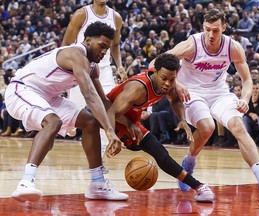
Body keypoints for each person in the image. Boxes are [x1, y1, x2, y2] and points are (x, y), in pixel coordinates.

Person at [150, 9, 259, 201]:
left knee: (238, 126)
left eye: (215, 30)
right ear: (203, 27)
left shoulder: (232, 47)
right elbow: (155, 63)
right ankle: (189, 161)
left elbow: (247, 80)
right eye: (207, 30)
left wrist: (244, 100)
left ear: (224, 28)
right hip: (192, 92)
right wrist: (177, 83)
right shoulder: (191, 45)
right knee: (208, 128)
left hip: (219, 93)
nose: (211, 35)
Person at [4, 22, 128, 202]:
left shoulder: (93, 68)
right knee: (53, 121)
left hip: (49, 97)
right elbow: (89, 95)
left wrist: (131, 125)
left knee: (91, 122)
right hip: (22, 89)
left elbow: (103, 101)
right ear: (87, 40)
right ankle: (25, 182)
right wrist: (109, 132)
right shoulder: (75, 54)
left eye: (107, 49)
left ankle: (98, 185)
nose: (104, 52)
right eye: (101, 46)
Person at [105, 53, 214, 202]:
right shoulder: (138, 88)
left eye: (172, 79)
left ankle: (199, 187)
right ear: (155, 72)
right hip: (107, 115)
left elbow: (175, 100)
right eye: (164, 78)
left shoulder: (167, 83)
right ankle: (98, 181)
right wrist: (113, 136)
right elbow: (110, 111)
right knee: (157, 150)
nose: (168, 83)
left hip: (130, 120)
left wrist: (182, 119)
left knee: (160, 153)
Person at [62, 0, 127, 96]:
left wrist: (119, 65)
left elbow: (115, 45)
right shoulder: (81, 14)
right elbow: (66, 43)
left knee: (109, 105)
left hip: (104, 70)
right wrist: (64, 70)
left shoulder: (116, 18)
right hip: (80, 68)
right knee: (80, 109)